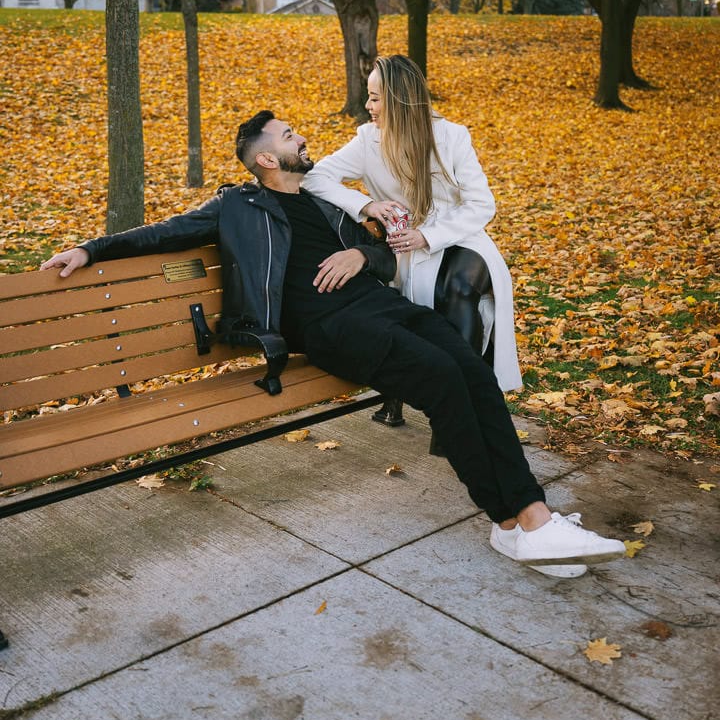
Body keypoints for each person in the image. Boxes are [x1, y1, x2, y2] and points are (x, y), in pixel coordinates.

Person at [42, 110, 626, 578]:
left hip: (378, 305)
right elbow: (163, 231)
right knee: (442, 379)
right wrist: (90, 249)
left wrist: (359, 254)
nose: (302, 138)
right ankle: (521, 515)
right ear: (267, 158)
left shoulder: (323, 198)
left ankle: (520, 527)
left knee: (469, 369)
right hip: (327, 327)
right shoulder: (238, 205)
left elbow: (377, 253)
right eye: (289, 135)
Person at [302, 54, 522, 398]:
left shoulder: (451, 136)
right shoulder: (367, 140)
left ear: (399, 99)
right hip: (405, 248)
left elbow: (481, 204)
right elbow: (314, 177)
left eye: (375, 98)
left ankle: (465, 397)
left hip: (459, 236)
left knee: (460, 289)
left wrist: (428, 235)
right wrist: (367, 205)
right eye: (369, 96)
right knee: (434, 298)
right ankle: (454, 397)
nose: (367, 105)